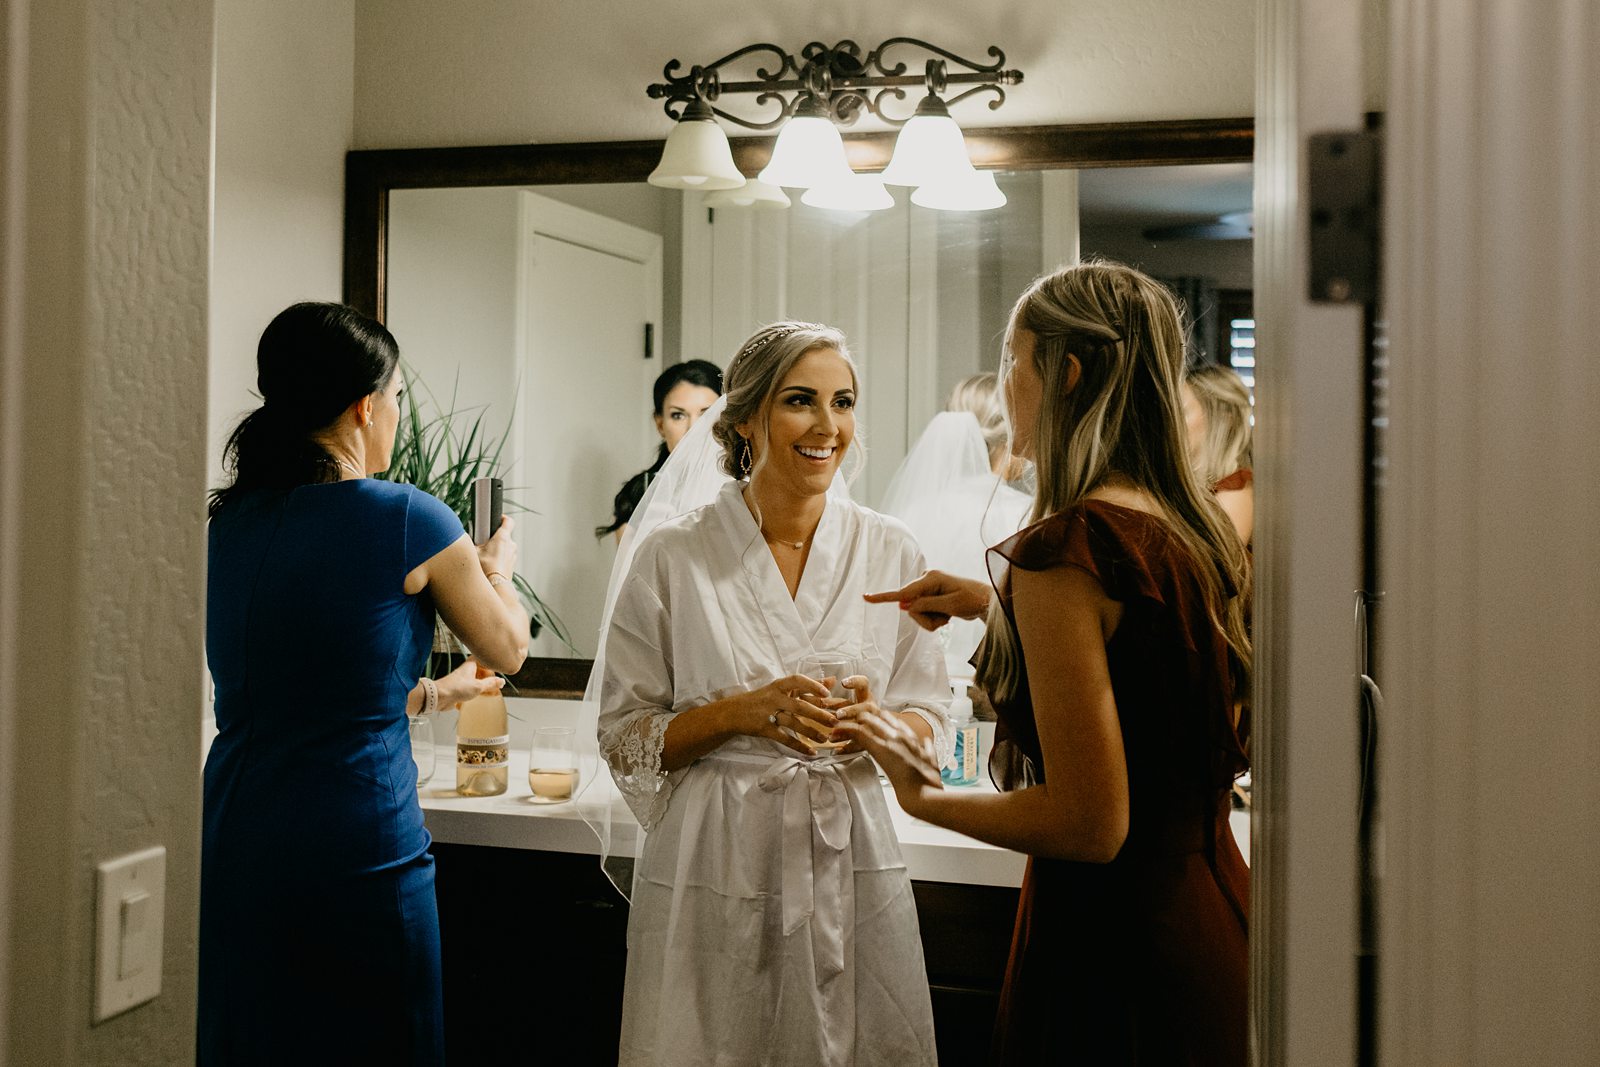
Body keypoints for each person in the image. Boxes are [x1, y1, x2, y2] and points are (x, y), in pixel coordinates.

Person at [850, 262, 1252, 1064]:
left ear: (1064, 373)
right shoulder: (1191, 525)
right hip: (1212, 915)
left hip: (1111, 948)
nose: (1004, 388)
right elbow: (1157, 667)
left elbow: (1090, 823)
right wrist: (992, 602)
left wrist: (921, 795)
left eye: (1013, 359)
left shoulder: (1067, 550)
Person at [594, 322, 950, 1066]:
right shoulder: (673, 554)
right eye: (801, 401)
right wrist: (742, 712)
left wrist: (874, 723)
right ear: (746, 420)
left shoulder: (890, 549)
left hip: (846, 850)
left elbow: (930, 716)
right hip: (711, 857)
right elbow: (624, 732)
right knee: (706, 1040)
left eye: (843, 401)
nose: (828, 426)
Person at [201, 302, 530, 1065]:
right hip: (358, 844)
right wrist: (497, 568)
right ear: (364, 406)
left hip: (239, 836)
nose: (397, 413)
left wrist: (434, 696)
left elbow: (306, 692)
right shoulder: (407, 516)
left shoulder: (231, 522)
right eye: (397, 397)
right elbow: (509, 647)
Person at [879, 373, 1033, 676]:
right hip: (987, 683)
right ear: (1010, 434)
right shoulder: (1021, 513)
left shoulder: (913, 508)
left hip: (917, 679)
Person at [595, 358, 724, 541]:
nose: (693, 429)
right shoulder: (638, 498)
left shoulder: (749, 489)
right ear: (660, 424)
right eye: (678, 415)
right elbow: (629, 569)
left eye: (707, 414)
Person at [1182, 363, 1255, 544]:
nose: (1172, 423)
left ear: (1222, 418)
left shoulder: (1236, 493)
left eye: (1182, 412)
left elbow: (1214, 567)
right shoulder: (1194, 487)